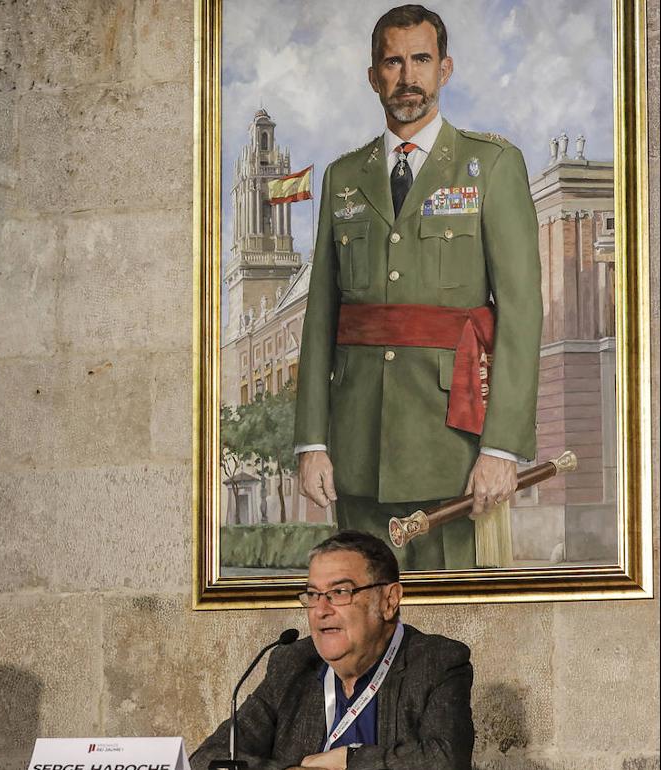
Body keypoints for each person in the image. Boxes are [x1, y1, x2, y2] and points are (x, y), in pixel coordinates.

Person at [294, 4, 542, 570]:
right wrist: (312, 442)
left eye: (421, 60)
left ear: (445, 69)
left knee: (451, 624)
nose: (407, 77)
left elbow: (521, 313)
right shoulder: (342, 177)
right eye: (393, 62)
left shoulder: (492, 165)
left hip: (451, 449)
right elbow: (320, 321)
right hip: (357, 447)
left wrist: (501, 449)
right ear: (373, 76)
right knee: (365, 616)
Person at [190, 531, 473, 770]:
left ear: (389, 600)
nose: (321, 611)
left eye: (340, 592)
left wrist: (350, 761)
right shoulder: (292, 664)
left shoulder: (436, 663)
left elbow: (445, 760)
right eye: (313, 595)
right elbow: (209, 758)